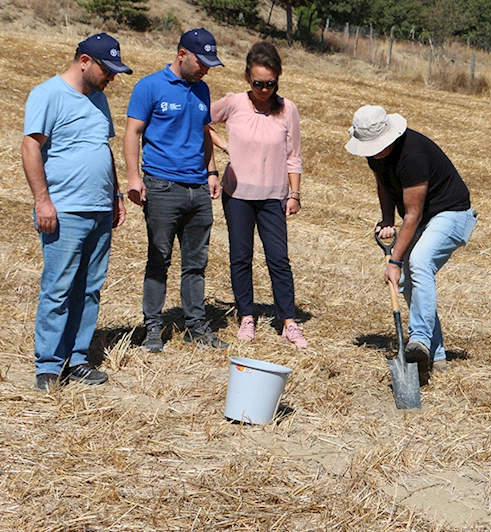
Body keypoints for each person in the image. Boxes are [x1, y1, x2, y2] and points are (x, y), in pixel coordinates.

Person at [22, 33, 132, 391]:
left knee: (89, 289)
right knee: (58, 288)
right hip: (65, 210)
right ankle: (49, 366)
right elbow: (30, 148)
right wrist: (43, 200)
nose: (111, 78)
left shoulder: (98, 99)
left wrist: (115, 195)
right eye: (107, 69)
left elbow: (103, 149)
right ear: (84, 61)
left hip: (100, 210)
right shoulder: (47, 95)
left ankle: (78, 358)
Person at [345, 105, 477, 385]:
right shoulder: (376, 155)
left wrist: (394, 259)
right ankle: (435, 353)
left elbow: (413, 215)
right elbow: (384, 185)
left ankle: (418, 339)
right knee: (405, 281)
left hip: (451, 213)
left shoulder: (412, 154)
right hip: (422, 217)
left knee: (418, 262)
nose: (372, 152)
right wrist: (385, 218)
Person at [124, 28, 228, 352]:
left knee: (196, 262)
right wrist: (132, 178)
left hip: (198, 189)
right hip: (162, 185)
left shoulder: (203, 90)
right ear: (182, 54)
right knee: (159, 259)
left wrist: (212, 172)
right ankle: (152, 328)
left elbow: (204, 131)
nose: (206, 69)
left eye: (211, 64)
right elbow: (132, 134)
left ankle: (196, 326)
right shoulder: (150, 87)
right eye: (202, 62)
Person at [209, 41, 308, 348]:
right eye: (258, 83)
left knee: (278, 259)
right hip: (237, 195)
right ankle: (246, 316)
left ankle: (288, 321)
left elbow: (294, 155)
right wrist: (224, 147)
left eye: (270, 83)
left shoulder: (287, 109)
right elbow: (201, 121)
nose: (264, 89)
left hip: (273, 197)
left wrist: (294, 194)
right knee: (241, 257)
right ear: (247, 78)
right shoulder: (234, 103)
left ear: (277, 79)